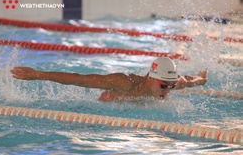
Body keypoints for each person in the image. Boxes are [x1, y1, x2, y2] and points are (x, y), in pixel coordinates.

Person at [10, 57, 207, 102]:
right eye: (165, 85)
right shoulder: (123, 82)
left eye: (171, 86)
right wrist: (38, 74)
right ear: (151, 78)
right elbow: (80, 79)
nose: (168, 90)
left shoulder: (173, 83)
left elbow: (192, 80)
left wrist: (202, 78)